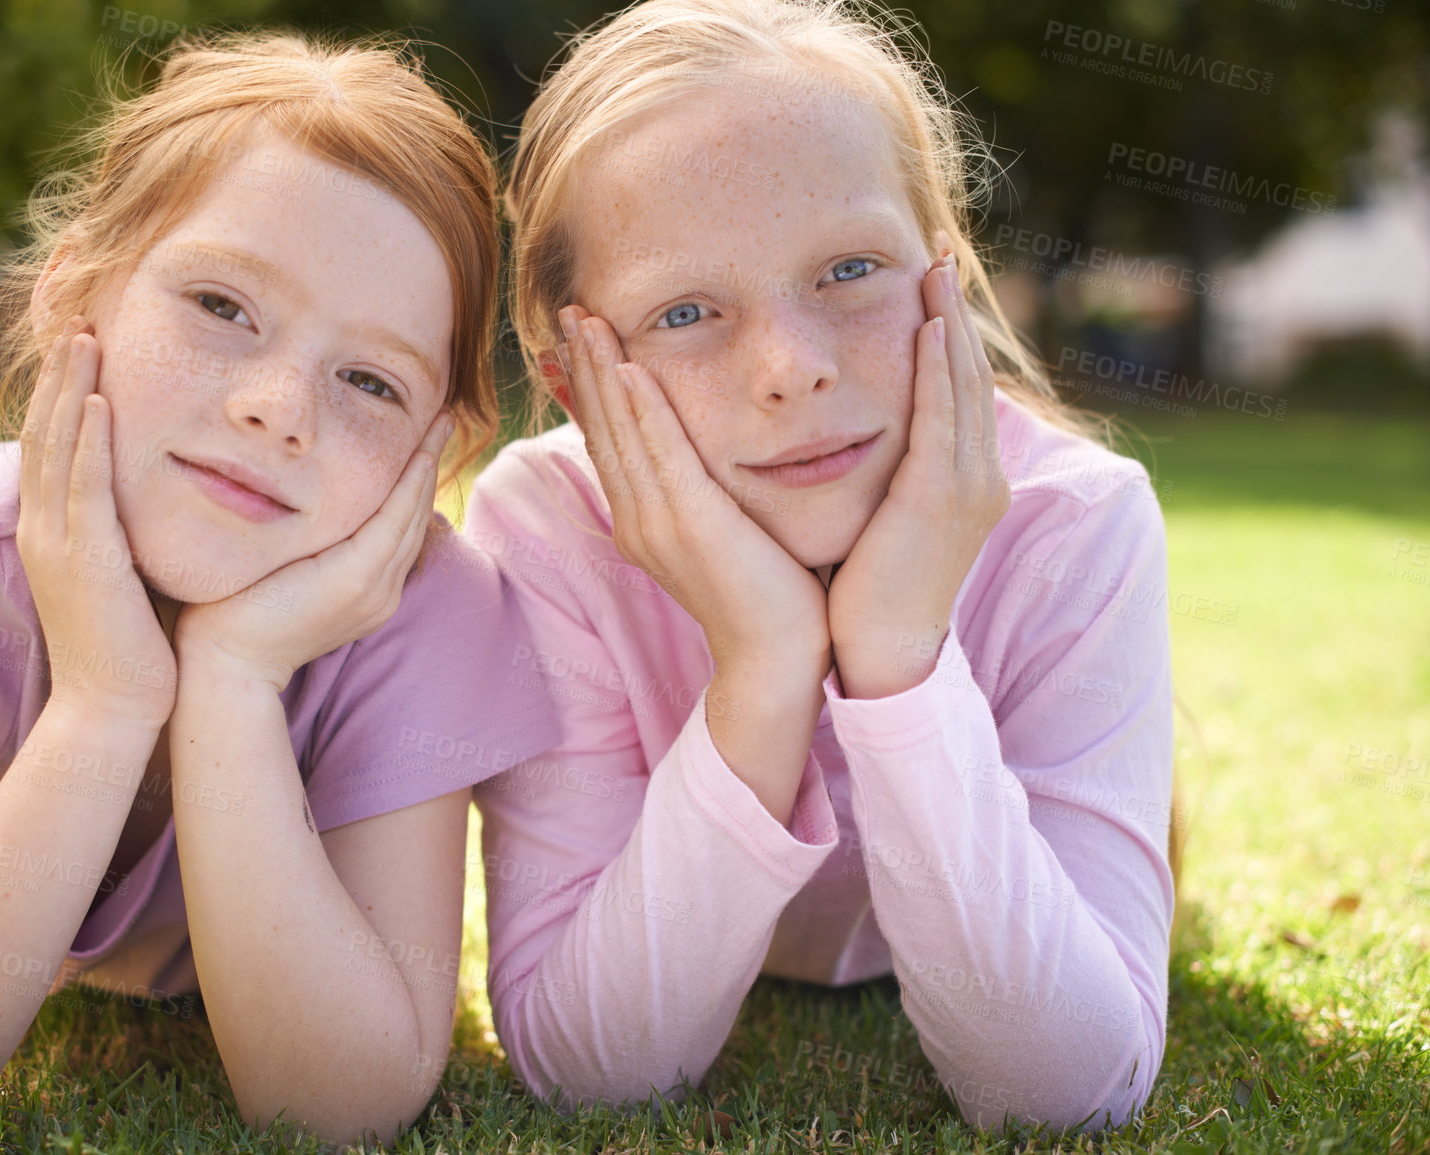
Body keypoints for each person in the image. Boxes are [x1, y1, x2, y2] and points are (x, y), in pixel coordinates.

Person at [0, 31, 557, 1148]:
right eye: (223, 307)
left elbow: (344, 1108)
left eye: (371, 381)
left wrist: (233, 680)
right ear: (73, 298)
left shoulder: (424, 614)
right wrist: (103, 700)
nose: (278, 406)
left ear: (441, 452)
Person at [467, 0, 1177, 1132]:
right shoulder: (548, 528)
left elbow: (1066, 1094)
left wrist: (897, 658)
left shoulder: (1075, 523)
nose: (791, 369)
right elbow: (592, 1073)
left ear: (942, 280)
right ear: (575, 385)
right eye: (686, 310)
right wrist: (763, 663)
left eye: (850, 269)